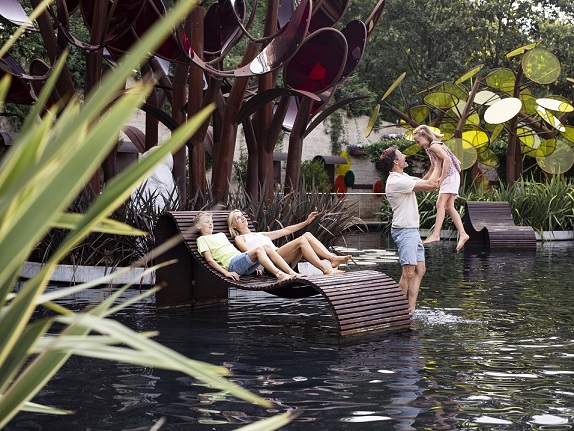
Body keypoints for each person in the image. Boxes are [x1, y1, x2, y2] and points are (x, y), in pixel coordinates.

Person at [379, 146, 439, 313]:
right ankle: (397, 311)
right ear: (396, 162)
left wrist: (434, 162)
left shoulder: (403, 177)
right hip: (404, 231)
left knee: (420, 269)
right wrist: (440, 162)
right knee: (408, 273)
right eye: (401, 155)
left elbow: (425, 181)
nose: (405, 156)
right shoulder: (396, 181)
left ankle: (410, 310)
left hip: (412, 230)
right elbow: (430, 185)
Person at [228, 209, 352, 275]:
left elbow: (285, 230)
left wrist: (306, 222)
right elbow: (249, 254)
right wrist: (256, 269)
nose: (242, 217)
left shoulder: (259, 234)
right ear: (233, 226)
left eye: (242, 215)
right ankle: (326, 269)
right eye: (238, 217)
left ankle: (332, 259)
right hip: (271, 264)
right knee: (302, 240)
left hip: (281, 260)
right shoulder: (240, 238)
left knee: (307, 235)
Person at [194, 212, 301, 282]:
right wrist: (226, 272)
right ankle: (279, 275)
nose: (211, 224)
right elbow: (209, 260)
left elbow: (233, 251)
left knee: (267, 247)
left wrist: (251, 266)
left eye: (211, 222)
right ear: (198, 226)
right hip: (232, 265)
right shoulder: (201, 239)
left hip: (241, 263)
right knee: (259, 249)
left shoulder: (221, 235)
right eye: (207, 222)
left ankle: (292, 273)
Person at [412, 125, 469, 251]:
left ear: (425, 137)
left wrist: (441, 179)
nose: (417, 144)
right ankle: (463, 234)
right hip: (451, 176)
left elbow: (447, 160)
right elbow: (433, 168)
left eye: (418, 141)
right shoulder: (429, 149)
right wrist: (422, 182)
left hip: (450, 176)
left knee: (440, 204)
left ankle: (436, 234)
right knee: (448, 207)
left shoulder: (434, 146)